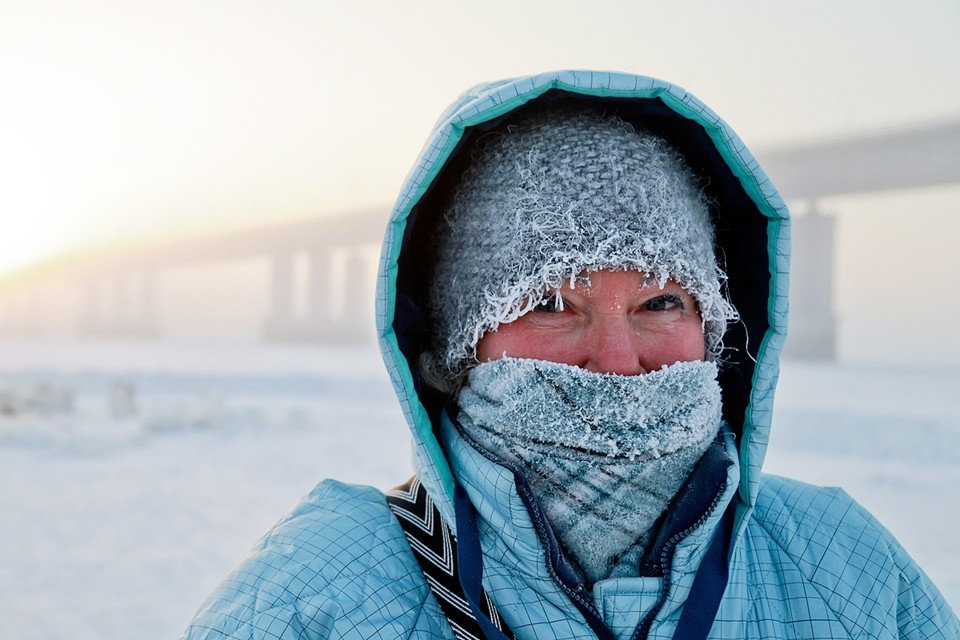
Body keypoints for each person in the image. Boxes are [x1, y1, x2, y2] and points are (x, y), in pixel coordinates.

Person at [182, 70, 958, 639]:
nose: (619, 361)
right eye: (551, 305)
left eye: (661, 302)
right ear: (456, 348)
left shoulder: (841, 562)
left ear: (716, 333)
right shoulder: (316, 594)